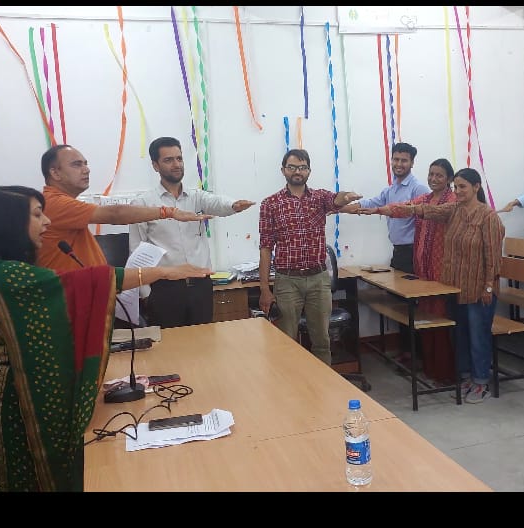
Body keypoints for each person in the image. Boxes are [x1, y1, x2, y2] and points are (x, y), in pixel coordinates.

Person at [0, 184, 211, 492]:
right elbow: (76, 285)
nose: (47, 222)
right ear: (9, 223)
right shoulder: (5, 275)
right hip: (9, 397)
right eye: (37, 215)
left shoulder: (2, 270)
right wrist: (162, 272)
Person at [361, 168, 504, 404]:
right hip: (456, 288)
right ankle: (466, 378)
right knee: (460, 335)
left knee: (478, 337)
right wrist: (381, 210)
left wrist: (489, 286)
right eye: (456, 187)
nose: (458, 191)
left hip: (479, 289)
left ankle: (480, 382)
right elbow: (425, 210)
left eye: (462, 187)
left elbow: (494, 256)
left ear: (476, 187)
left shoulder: (488, 217)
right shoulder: (454, 210)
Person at [129, 137, 256, 328]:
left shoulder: (196, 197)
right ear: (155, 165)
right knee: (171, 345)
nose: (176, 164)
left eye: (179, 158)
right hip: (164, 289)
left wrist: (233, 205)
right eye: (168, 160)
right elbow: (136, 251)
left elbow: (216, 203)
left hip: (200, 287)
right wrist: (146, 294)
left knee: (204, 341)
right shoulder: (143, 204)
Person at [258, 149, 362, 365]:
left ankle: (322, 384)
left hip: (318, 280)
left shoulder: (320, 198)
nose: (298, 171)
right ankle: (290, 382)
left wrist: (345, 197)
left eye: (302, 167)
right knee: (286, 340)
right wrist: (264, 288)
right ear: (283, 170)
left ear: (309, 171)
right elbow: (266, 247)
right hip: (287, 281)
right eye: (292, 167)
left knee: (322, 340)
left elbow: (336, 199)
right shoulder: (270, 204)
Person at [36, 144, 208, 273]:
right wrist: (169, 212)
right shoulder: (54, 203)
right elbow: (115, 214)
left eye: (85, 164)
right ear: (55, 173)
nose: (86, 170)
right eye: (77, 164)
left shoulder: (61, 202)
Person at [402, 158, 457, 385]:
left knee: (440, 320)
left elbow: (431, 212)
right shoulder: (424, 198)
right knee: (425, 317)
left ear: (449, 179)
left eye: (439, 175)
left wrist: (412, 209)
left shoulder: (453, 200)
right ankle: (429, 368)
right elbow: (402, 208)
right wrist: (372, 210)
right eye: (431, 174)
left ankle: (444, 373)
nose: (433, 179)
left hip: (441, 272)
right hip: (422, 269)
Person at [349, 142, 429, 273]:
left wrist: (377, 211)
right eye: (396, 159)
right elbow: (369, 203)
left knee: (411, 286)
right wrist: (337, 208)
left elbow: (410, 212)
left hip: (413, 252)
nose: (399, 164)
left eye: (404, 160)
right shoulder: (391, 189)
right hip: (398, 251)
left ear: (412, 163)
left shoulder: (418, 188)